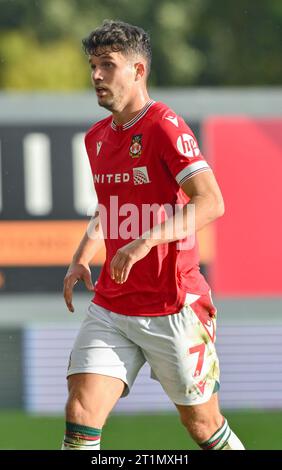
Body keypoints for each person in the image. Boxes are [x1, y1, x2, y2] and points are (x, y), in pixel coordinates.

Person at [62, 20, 244, 451]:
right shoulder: (97, 138)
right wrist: (83, 254)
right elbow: (110, 208)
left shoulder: (164, 125)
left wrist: (145, 241)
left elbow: (211, 202)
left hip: (172, 305)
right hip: (113, 303)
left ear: (139, 70)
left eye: (108, 65)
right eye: (93, 65)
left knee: (203, 426)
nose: (96, 76)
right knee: (80, 415)